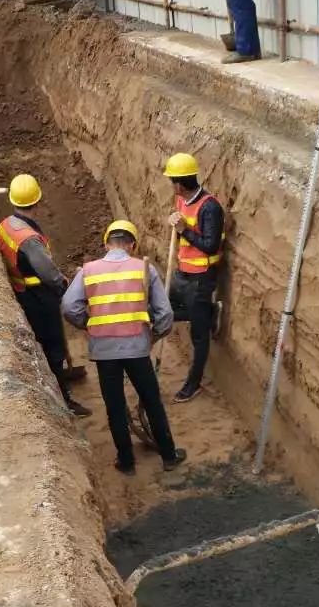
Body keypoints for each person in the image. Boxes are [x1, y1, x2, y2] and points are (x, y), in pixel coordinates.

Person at [62, 219, 185, 475]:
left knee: (115, 406)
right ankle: (169, 456)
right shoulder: (143, 269)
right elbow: (165, 314)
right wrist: (155, 335)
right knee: (152, 402)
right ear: (132, 244)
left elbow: (69, 307)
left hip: (104, 351)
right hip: (137, 348)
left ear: (107, 243)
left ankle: (126, 461)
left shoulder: (88, 271)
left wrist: (89, 324)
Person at [0, 174, 91, 418]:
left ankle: (61, 377)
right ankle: (64, 399)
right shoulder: (30, 240)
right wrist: (65, 288)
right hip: (37, 296)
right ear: (36, 201)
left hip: (23, 291)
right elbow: (48, 273)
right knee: (53, 345)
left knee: (51, 342)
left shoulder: (6, 225)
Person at [164, 152, 225, 404]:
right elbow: (183, 235)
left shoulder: (210, 207)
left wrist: (183, 230)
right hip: (182, 273)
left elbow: (210, 245)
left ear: (178, 184)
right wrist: (177, 227)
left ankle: (194, 383)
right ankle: (208, 313)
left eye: (171, 181)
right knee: (165, 311)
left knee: (198, 334)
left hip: (201, 278)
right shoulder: (182, 201)